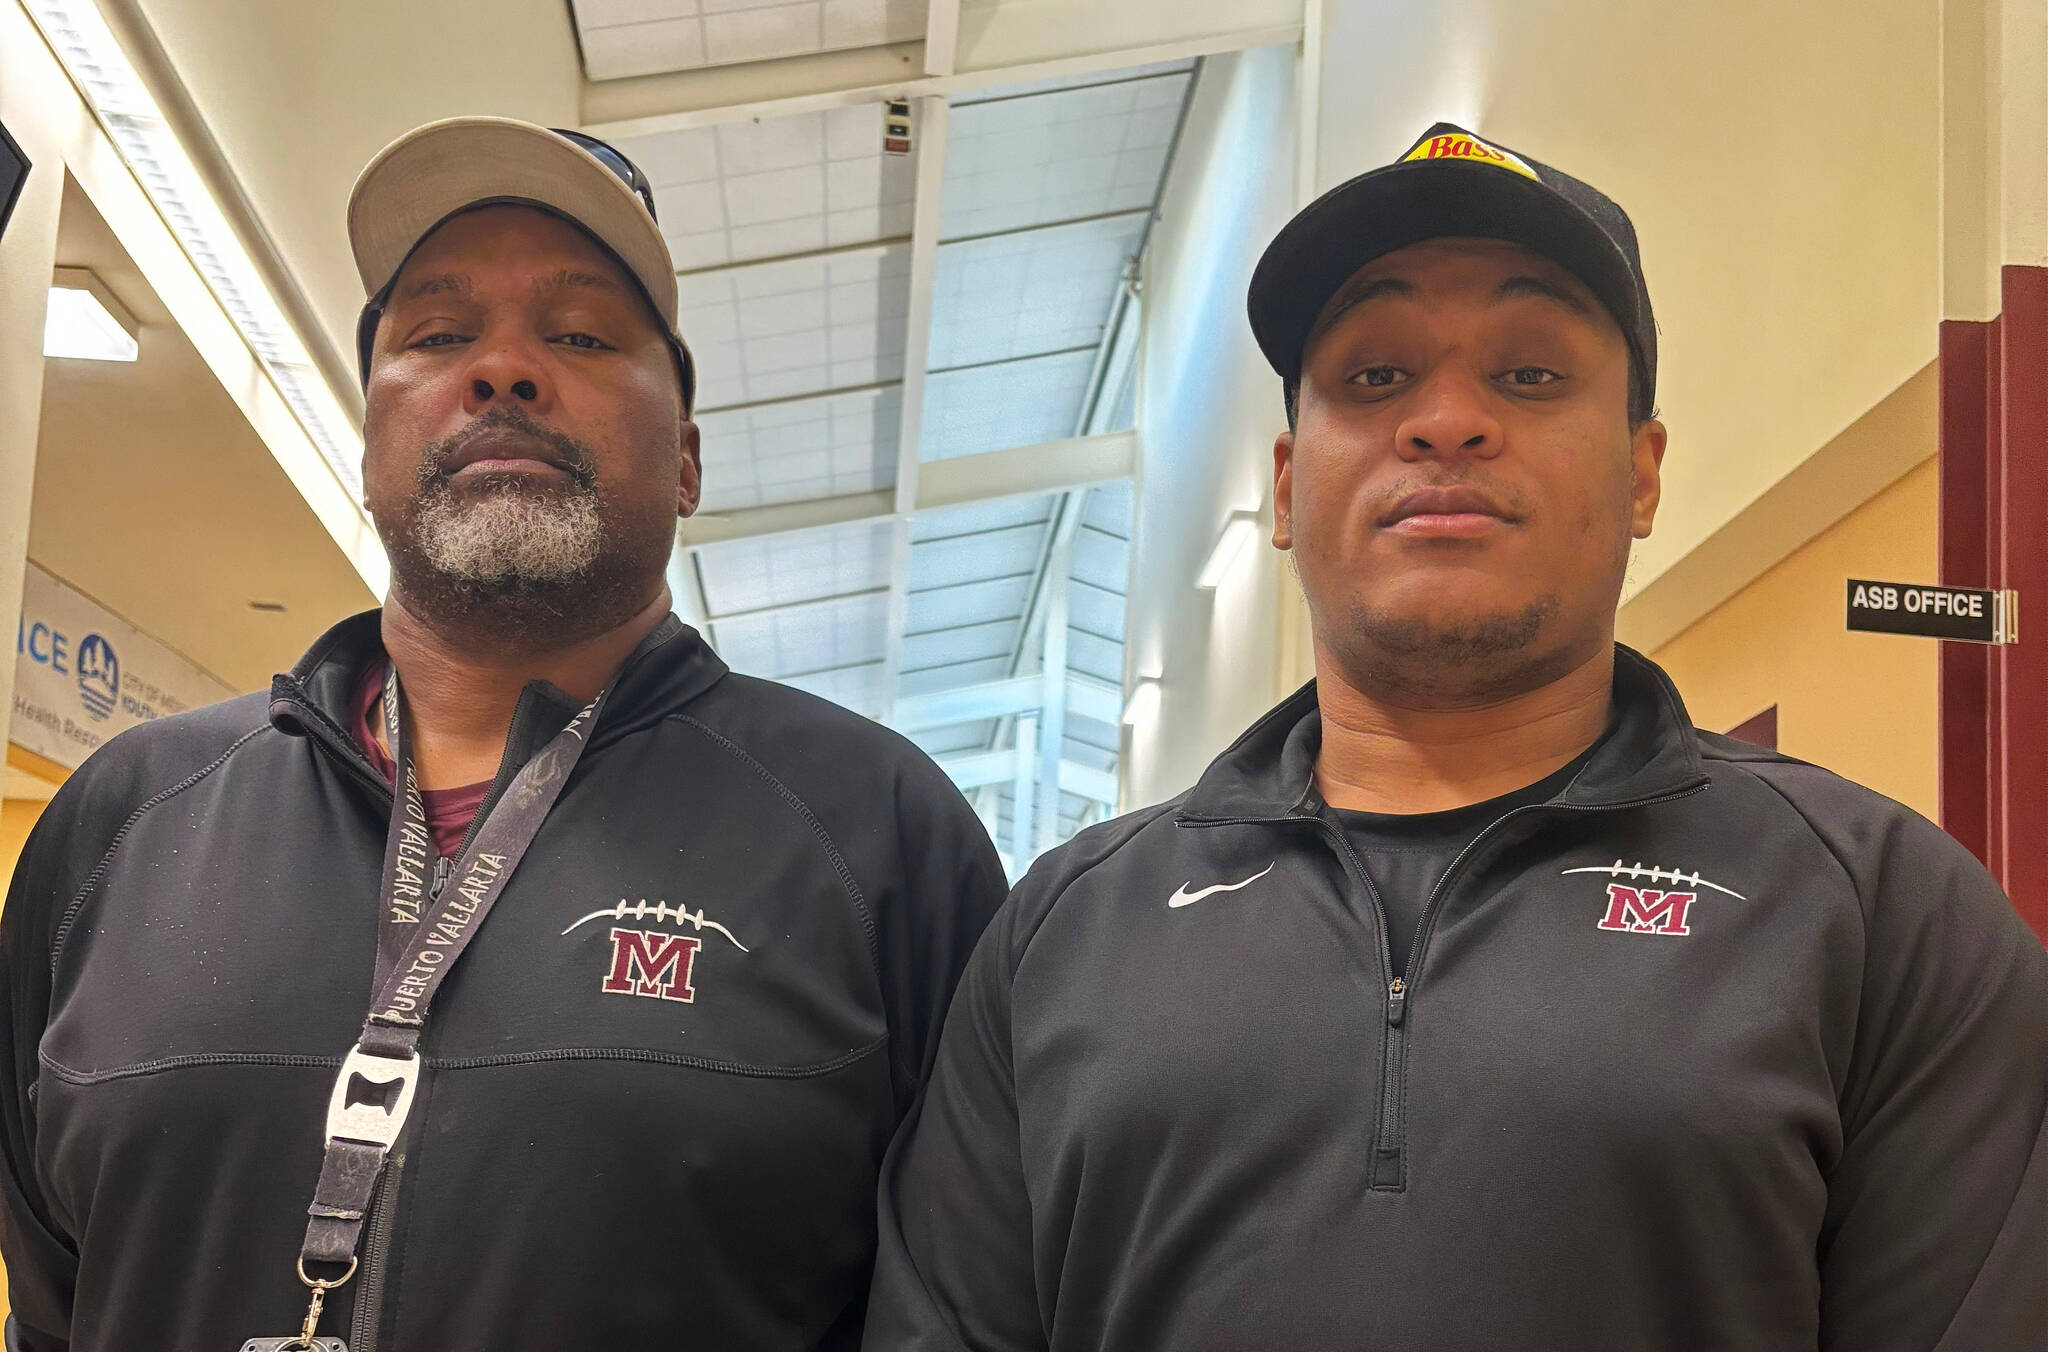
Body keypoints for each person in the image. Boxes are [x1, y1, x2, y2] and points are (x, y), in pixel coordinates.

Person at [866, 123, 2048, 1351]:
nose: (1443, 422)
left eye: (1529, 375)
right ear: (1282, 486)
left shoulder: (1881, 909)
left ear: (1642, 475)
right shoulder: (1062, 929)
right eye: (1373, 377)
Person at [0, 117, 1007, 1351]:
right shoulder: (124, 820)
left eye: (580, 334)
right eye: (436, 333)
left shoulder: (876, 835)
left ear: (686, 459)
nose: (504, 371)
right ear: (368, 434)